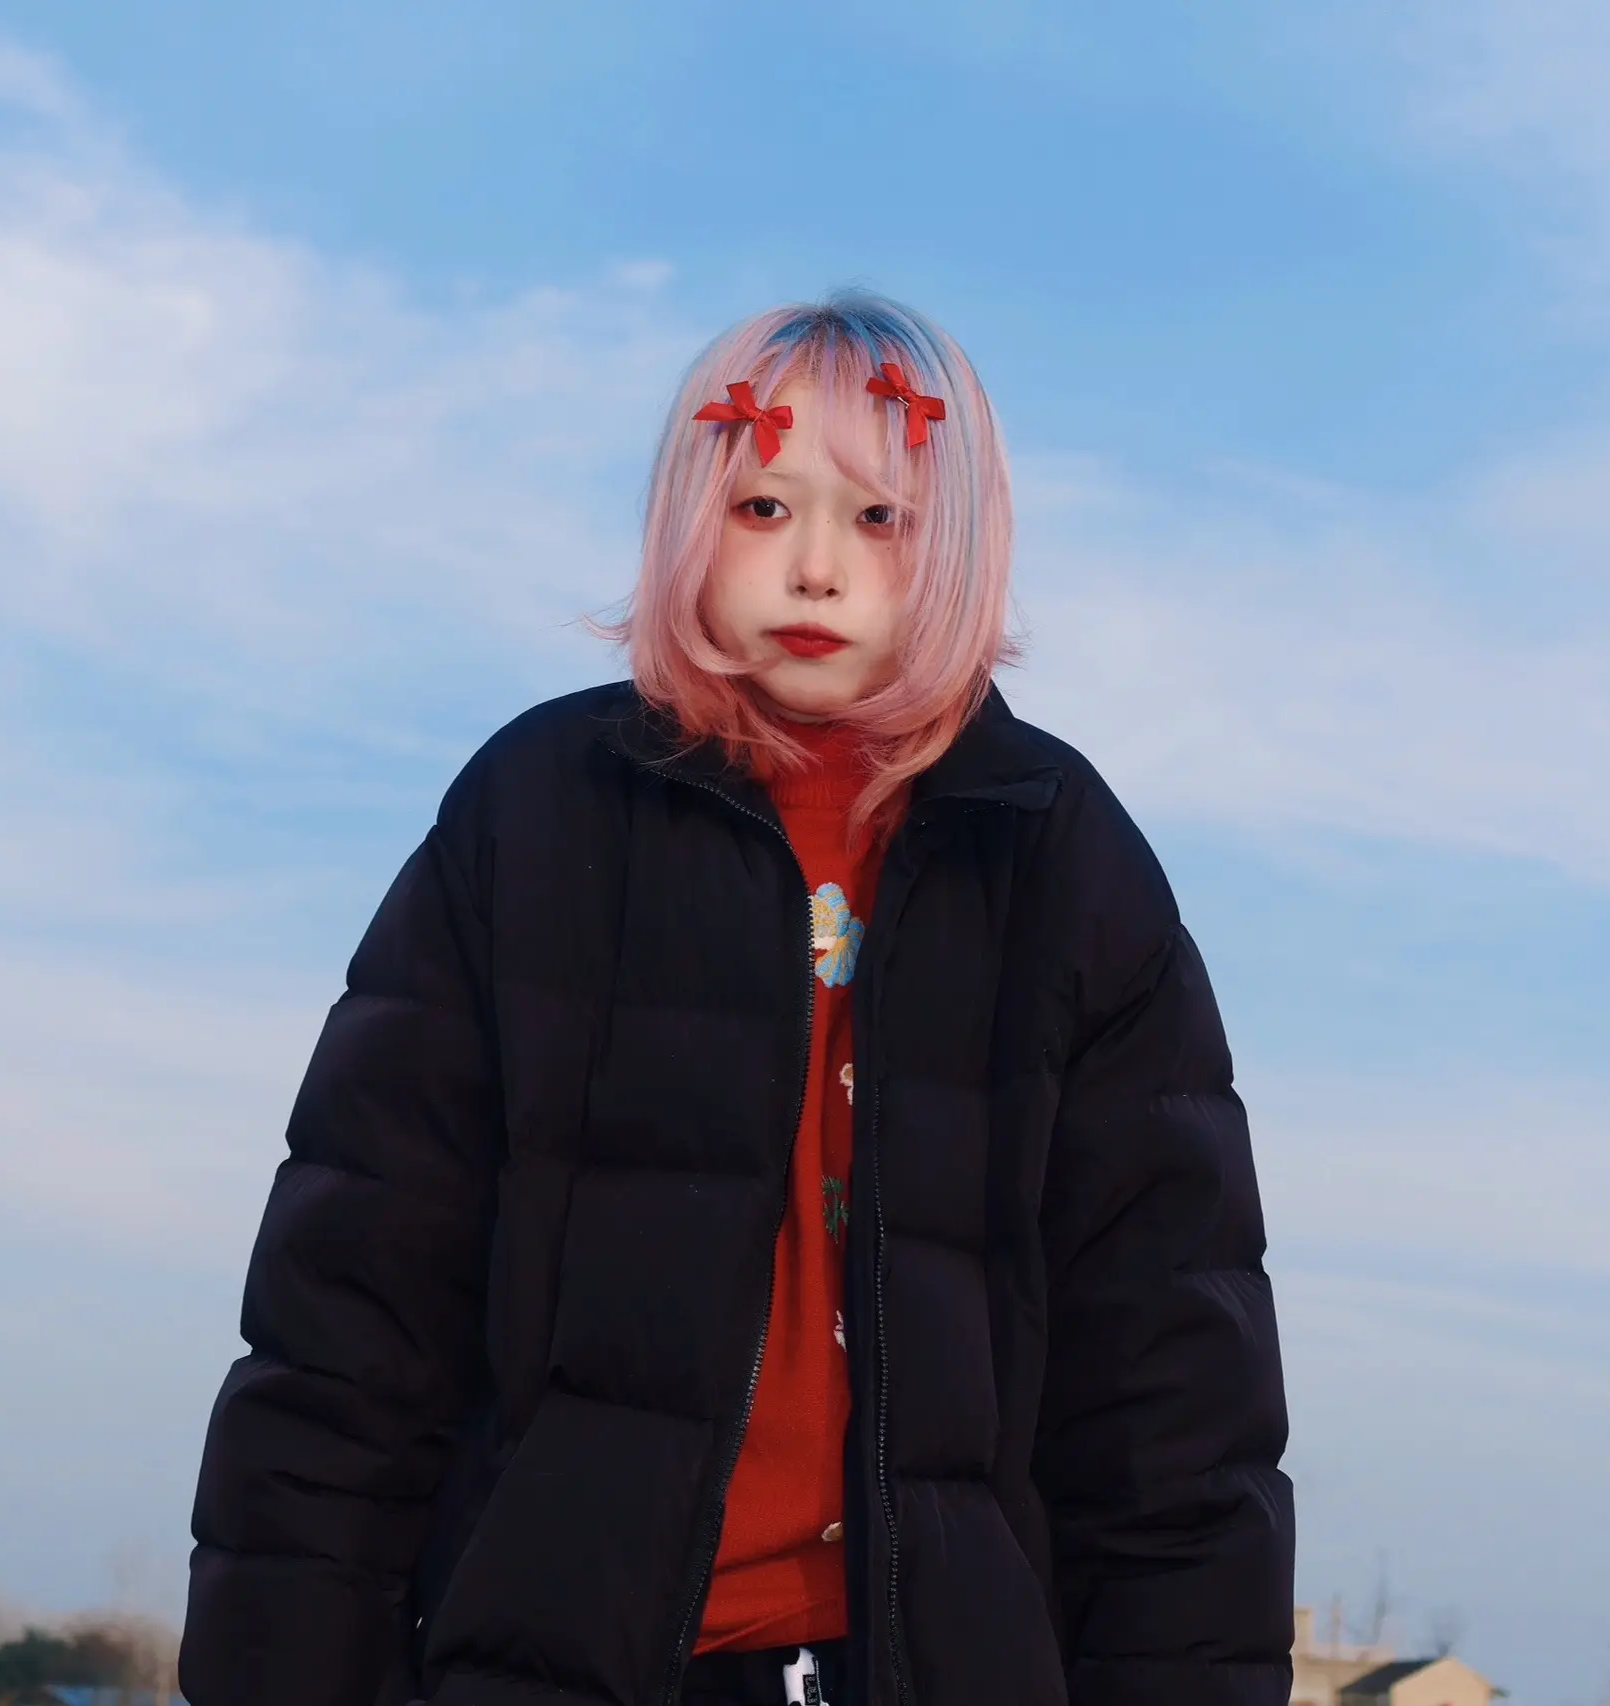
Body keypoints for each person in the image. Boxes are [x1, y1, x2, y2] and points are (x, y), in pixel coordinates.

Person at [179, 294, 1292, 1706]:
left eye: (880, 519)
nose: (816, 569)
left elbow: (1174, 1400)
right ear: (687, 521)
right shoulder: (536, 816)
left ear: (960, 544)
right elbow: (350, 1320)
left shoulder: (1065, 862)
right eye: (764, 507)